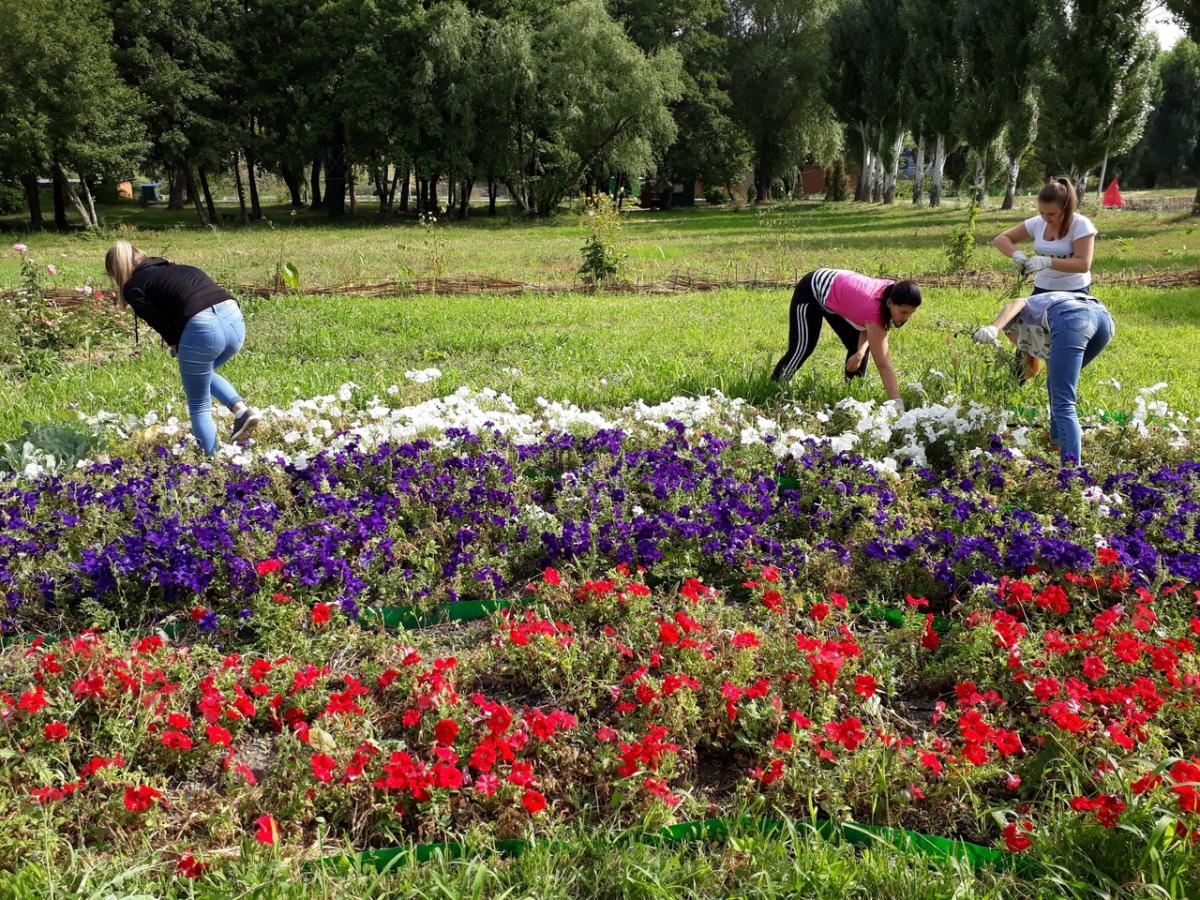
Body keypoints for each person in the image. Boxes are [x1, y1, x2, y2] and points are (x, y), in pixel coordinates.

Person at [105, 240, 261, 454]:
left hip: (203, 328)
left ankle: (212, 462)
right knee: (201, 373)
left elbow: (157, 320)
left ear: (116, 271)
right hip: (234, 319)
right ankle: (241, 410)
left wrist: (175, 343)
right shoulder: (176, 267)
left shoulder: (133, 286)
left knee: (198, 404)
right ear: (142, 255)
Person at [973, 291, 1114, 465]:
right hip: (1103, 320)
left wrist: (994, 327)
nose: (1010, 339)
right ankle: (1057, 445)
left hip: (1072, 317)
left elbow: (1016, 302)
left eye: (1009, 335)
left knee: (1064, 402)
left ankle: (1071, 474)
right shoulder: (1042, 336)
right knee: (1056, 385)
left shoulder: (1017, 321)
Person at [771, 268, 921, 410]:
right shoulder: (874, 308)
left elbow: (869, 328)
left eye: (911, 313)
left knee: (858, 348)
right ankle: (773, 390)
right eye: (903, 312)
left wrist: (860, 352)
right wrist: (898, 405)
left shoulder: (892, 291)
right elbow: (883, 364)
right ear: (890, 303)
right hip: (812, 290)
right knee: (802, 347)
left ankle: (851, 398)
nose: (906, 318)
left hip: (837, 294)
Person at [992, 178, 1096, 295]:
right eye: (1041, 212)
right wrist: (1017, 255)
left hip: (1074, 289)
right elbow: (1000, 239)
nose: (1045, 218)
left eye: (1051, 214)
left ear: (1065, 209)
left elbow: (1083, 265)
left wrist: (1048, 262)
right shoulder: (1037, 222)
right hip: (1042, 287)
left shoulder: (1081, 224)